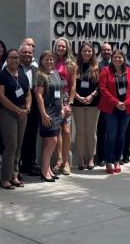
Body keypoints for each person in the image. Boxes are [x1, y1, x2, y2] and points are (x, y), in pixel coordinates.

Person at [0, 49, 31, 189]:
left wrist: (27, 108)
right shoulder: (1, 75)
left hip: (23, 112)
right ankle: (5, 179)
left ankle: (14, 176)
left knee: (19, 145)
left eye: (17, 58)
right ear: (6, 59)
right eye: (12, 58)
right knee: (11, 145)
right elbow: (1, 97)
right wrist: (17, 110)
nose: (15, 60)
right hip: (7, 112)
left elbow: (28, 94)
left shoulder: (22, 74)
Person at [98, 49, 130, 174]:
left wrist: (125, 103)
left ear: (123, 59)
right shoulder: (105, 71)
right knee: (111, 135)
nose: (117, 59)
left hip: (126, 108)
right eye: (115, 57)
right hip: (110, 108)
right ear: (112, 58)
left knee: (121, 136)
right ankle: (108, 160)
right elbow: (103, 89)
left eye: (120, 57)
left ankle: (117, 160)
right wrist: (117, 103)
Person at [35, 51, 63, 182]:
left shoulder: (55, 73)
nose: (49, 62)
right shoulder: (40, 75)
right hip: (48, 110)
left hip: (57, 110)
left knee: (49, 141)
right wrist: (43, 114)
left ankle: (48, 169)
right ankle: (44, 170)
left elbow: (60, 92)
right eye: (46, 59)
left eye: (51, 59)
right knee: (52, 141)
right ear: (41, 61)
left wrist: (62, 108)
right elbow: (38, 95)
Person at [72, 42, 100, 170]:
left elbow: (100, 86)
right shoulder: (75, 67)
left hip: (93, 104)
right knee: (80, 132)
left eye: (90, 51)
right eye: (85, 51)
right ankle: (81, 158)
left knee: (91, 131)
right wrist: (77, 96)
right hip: (77, 103)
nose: (87, 53)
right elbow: (70, 84)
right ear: (80, 52)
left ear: (92, 53)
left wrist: (92, 96)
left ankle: (91, 158)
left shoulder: (96, 67)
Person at [53, 38, 77, 175]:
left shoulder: (71, 64)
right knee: (56, 130)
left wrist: (71, 102)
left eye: (63, 46)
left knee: (66, 131)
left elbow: (73, 84)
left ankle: (66, 161)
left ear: (67, 48)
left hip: (66, 98)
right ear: (55, 47)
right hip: (53, 98)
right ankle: (59, 160)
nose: (61, 48)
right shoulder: (51, 61)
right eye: (59, 46)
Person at [18, 42, 40, 176]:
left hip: (34, 104)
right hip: (19, 104)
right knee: (19, 136)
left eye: (30, 53)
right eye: (24, 52)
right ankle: (18, 166)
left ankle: (29, 164)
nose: (27, 54)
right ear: (20, 53)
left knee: (31, 135)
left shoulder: (35, 68)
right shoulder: (14, 67)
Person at [96, 42, 112, 166]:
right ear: (101, 52)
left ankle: (111, 156)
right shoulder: (98, 66)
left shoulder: (117, 64)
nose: (106, 52)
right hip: (103, 103)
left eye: (108, 50)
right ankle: (100, 157)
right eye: (104, 50)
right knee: (101, 131)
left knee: (113, 131)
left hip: (116, 104)